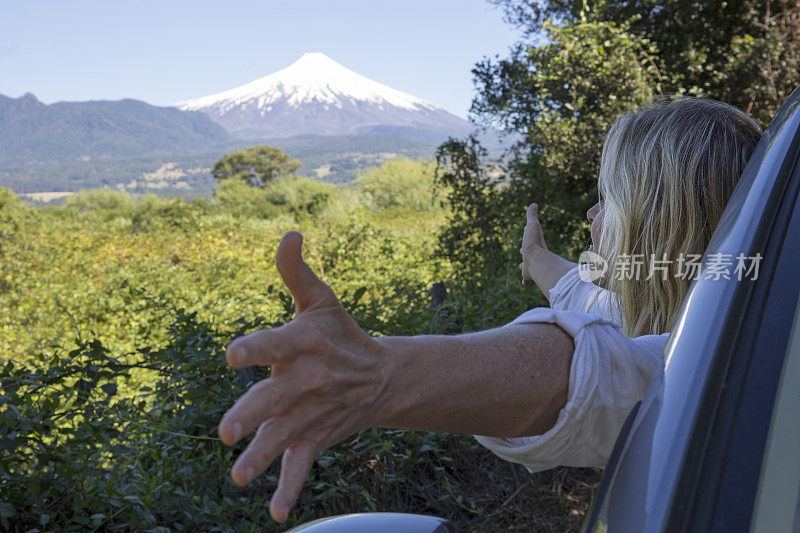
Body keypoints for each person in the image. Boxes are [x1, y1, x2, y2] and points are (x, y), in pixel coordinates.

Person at [217, 97, 762, 522]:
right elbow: (598, 299)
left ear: (662, 226)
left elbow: (598, 372)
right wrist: (540, 261)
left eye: (610, 198)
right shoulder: (737, 294)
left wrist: (384, 375)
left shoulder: (717, 359)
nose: (593, 214)